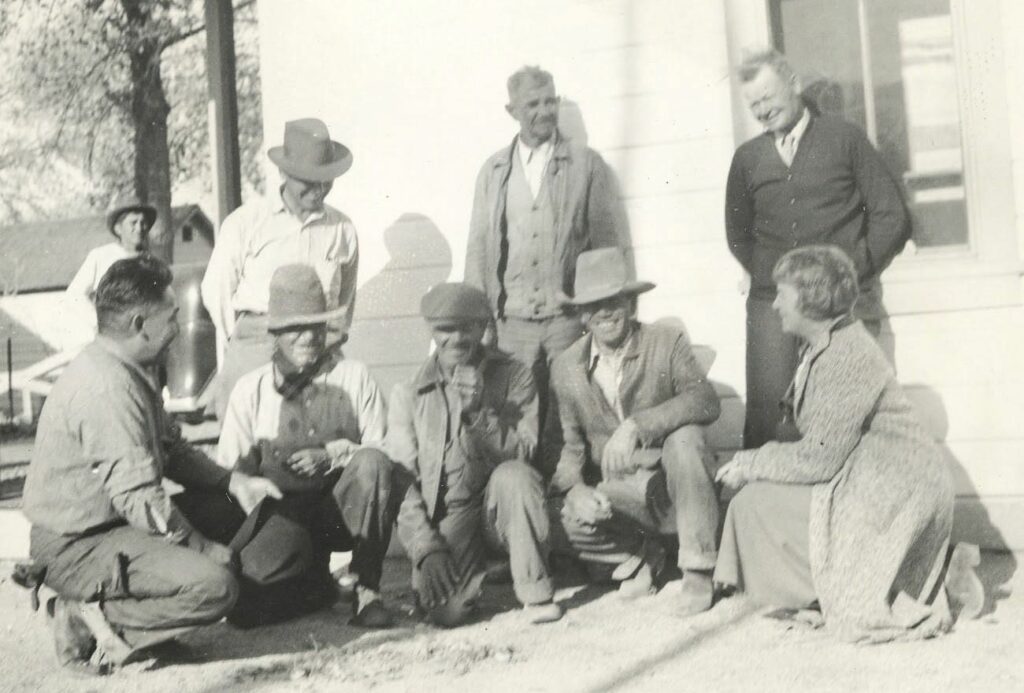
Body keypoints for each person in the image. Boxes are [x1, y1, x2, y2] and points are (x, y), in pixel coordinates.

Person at [21, 255, 301, 674]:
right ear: (139, 324)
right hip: (77, 545)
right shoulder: (106, 389)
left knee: (233, 505)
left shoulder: (130, 370)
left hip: (112, 527)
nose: (177, 329)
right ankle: (84, 618)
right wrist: (204, 548)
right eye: (171, 318)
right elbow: (140, 499)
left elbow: (171, 449)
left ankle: (141, 620)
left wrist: (234, 481)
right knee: (215, 588)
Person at [714, 245, 980, 643]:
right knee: (766, 500)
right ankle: (921, 572)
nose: (775, 306)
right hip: (874, 478)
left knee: (755, 504)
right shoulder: (827, 345)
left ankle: (932, 578)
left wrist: (750, 462)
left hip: (896, 488)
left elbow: (820, 459)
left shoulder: (845, 355)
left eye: (782, 295)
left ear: (811, 298)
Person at [725, 48, 911, 449]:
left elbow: (891, 215)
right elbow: (738, 233)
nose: (762, 110)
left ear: (793, 85)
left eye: (768, 97)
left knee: (848, 413)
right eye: (753, 104)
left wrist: (849, 270)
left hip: (839, 303)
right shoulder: (748, 159)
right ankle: (768, 508)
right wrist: (768, 275)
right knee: (769, 418)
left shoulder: (843, 139)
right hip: (771, 304)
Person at [465, 65, 625, 474]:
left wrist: (603, 312)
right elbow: (478, 250)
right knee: (515, 415)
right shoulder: (494, 172)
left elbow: (606, 245)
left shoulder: (585, 166)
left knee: (569, 416)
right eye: (533, 103)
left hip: (566, 320)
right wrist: (478, 322)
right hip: (511, 323)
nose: (544, 110)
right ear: (512, 110)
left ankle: (570, 507)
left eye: (549, 100)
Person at [217, 264, 396, 628]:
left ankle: (367, 589)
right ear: (276, 333)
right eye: (295, 328)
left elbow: (385, 451)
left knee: (373, 463)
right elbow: (228, 475)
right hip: (285, 516)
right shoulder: (251, 390)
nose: (308, 338)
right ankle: (316, 583)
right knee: (248, 610)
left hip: (341, 515)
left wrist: (333, 456)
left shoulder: (354, 376)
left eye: (316, 326)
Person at [549, 248, 722, 614]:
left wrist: (637, 426)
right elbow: (570, 446)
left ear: (631, 303)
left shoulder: (666, 341)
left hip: (672, 487)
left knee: (686, 439)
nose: (606, 312)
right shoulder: (566, 367)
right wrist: (576, 488)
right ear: (582, 315)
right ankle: (640, 559)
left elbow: (706, 399)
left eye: (615, 300)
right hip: (620, 494)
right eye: (594, 305)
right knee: (562, 516)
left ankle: (697, 569)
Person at [387, 282, 563, 626]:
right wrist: (426, 548)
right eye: (445, 330)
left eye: (467, 327)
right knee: (446, 612)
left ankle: (535, 592)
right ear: (431, 332)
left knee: (515, 476)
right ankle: (485, 567)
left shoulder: (515, 376)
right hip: (453, 516)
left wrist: (478, 413)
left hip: (502, 505)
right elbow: (401, 481)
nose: (456, 339)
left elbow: (525, 454)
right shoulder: (408, 392)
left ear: (483, 328)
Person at [202, 118, 359, 420]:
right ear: (283, 172)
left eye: (326, 180)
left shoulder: (342, 228)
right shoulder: (246, 222)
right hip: (259, 341)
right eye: (309, 181)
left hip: (319, 346)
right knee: (247, 442)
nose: (320, 189)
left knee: (328, 437)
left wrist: (327, 338)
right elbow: (216, 289)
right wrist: (241, 342)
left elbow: (345, 301)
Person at [66, 195, 157, 302]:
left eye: (143, 223)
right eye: (133, 223)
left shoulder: (150, 261)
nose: (139, 228)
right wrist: (97, 317)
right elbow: (75, 295)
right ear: (118, 229)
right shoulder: (100, 256)